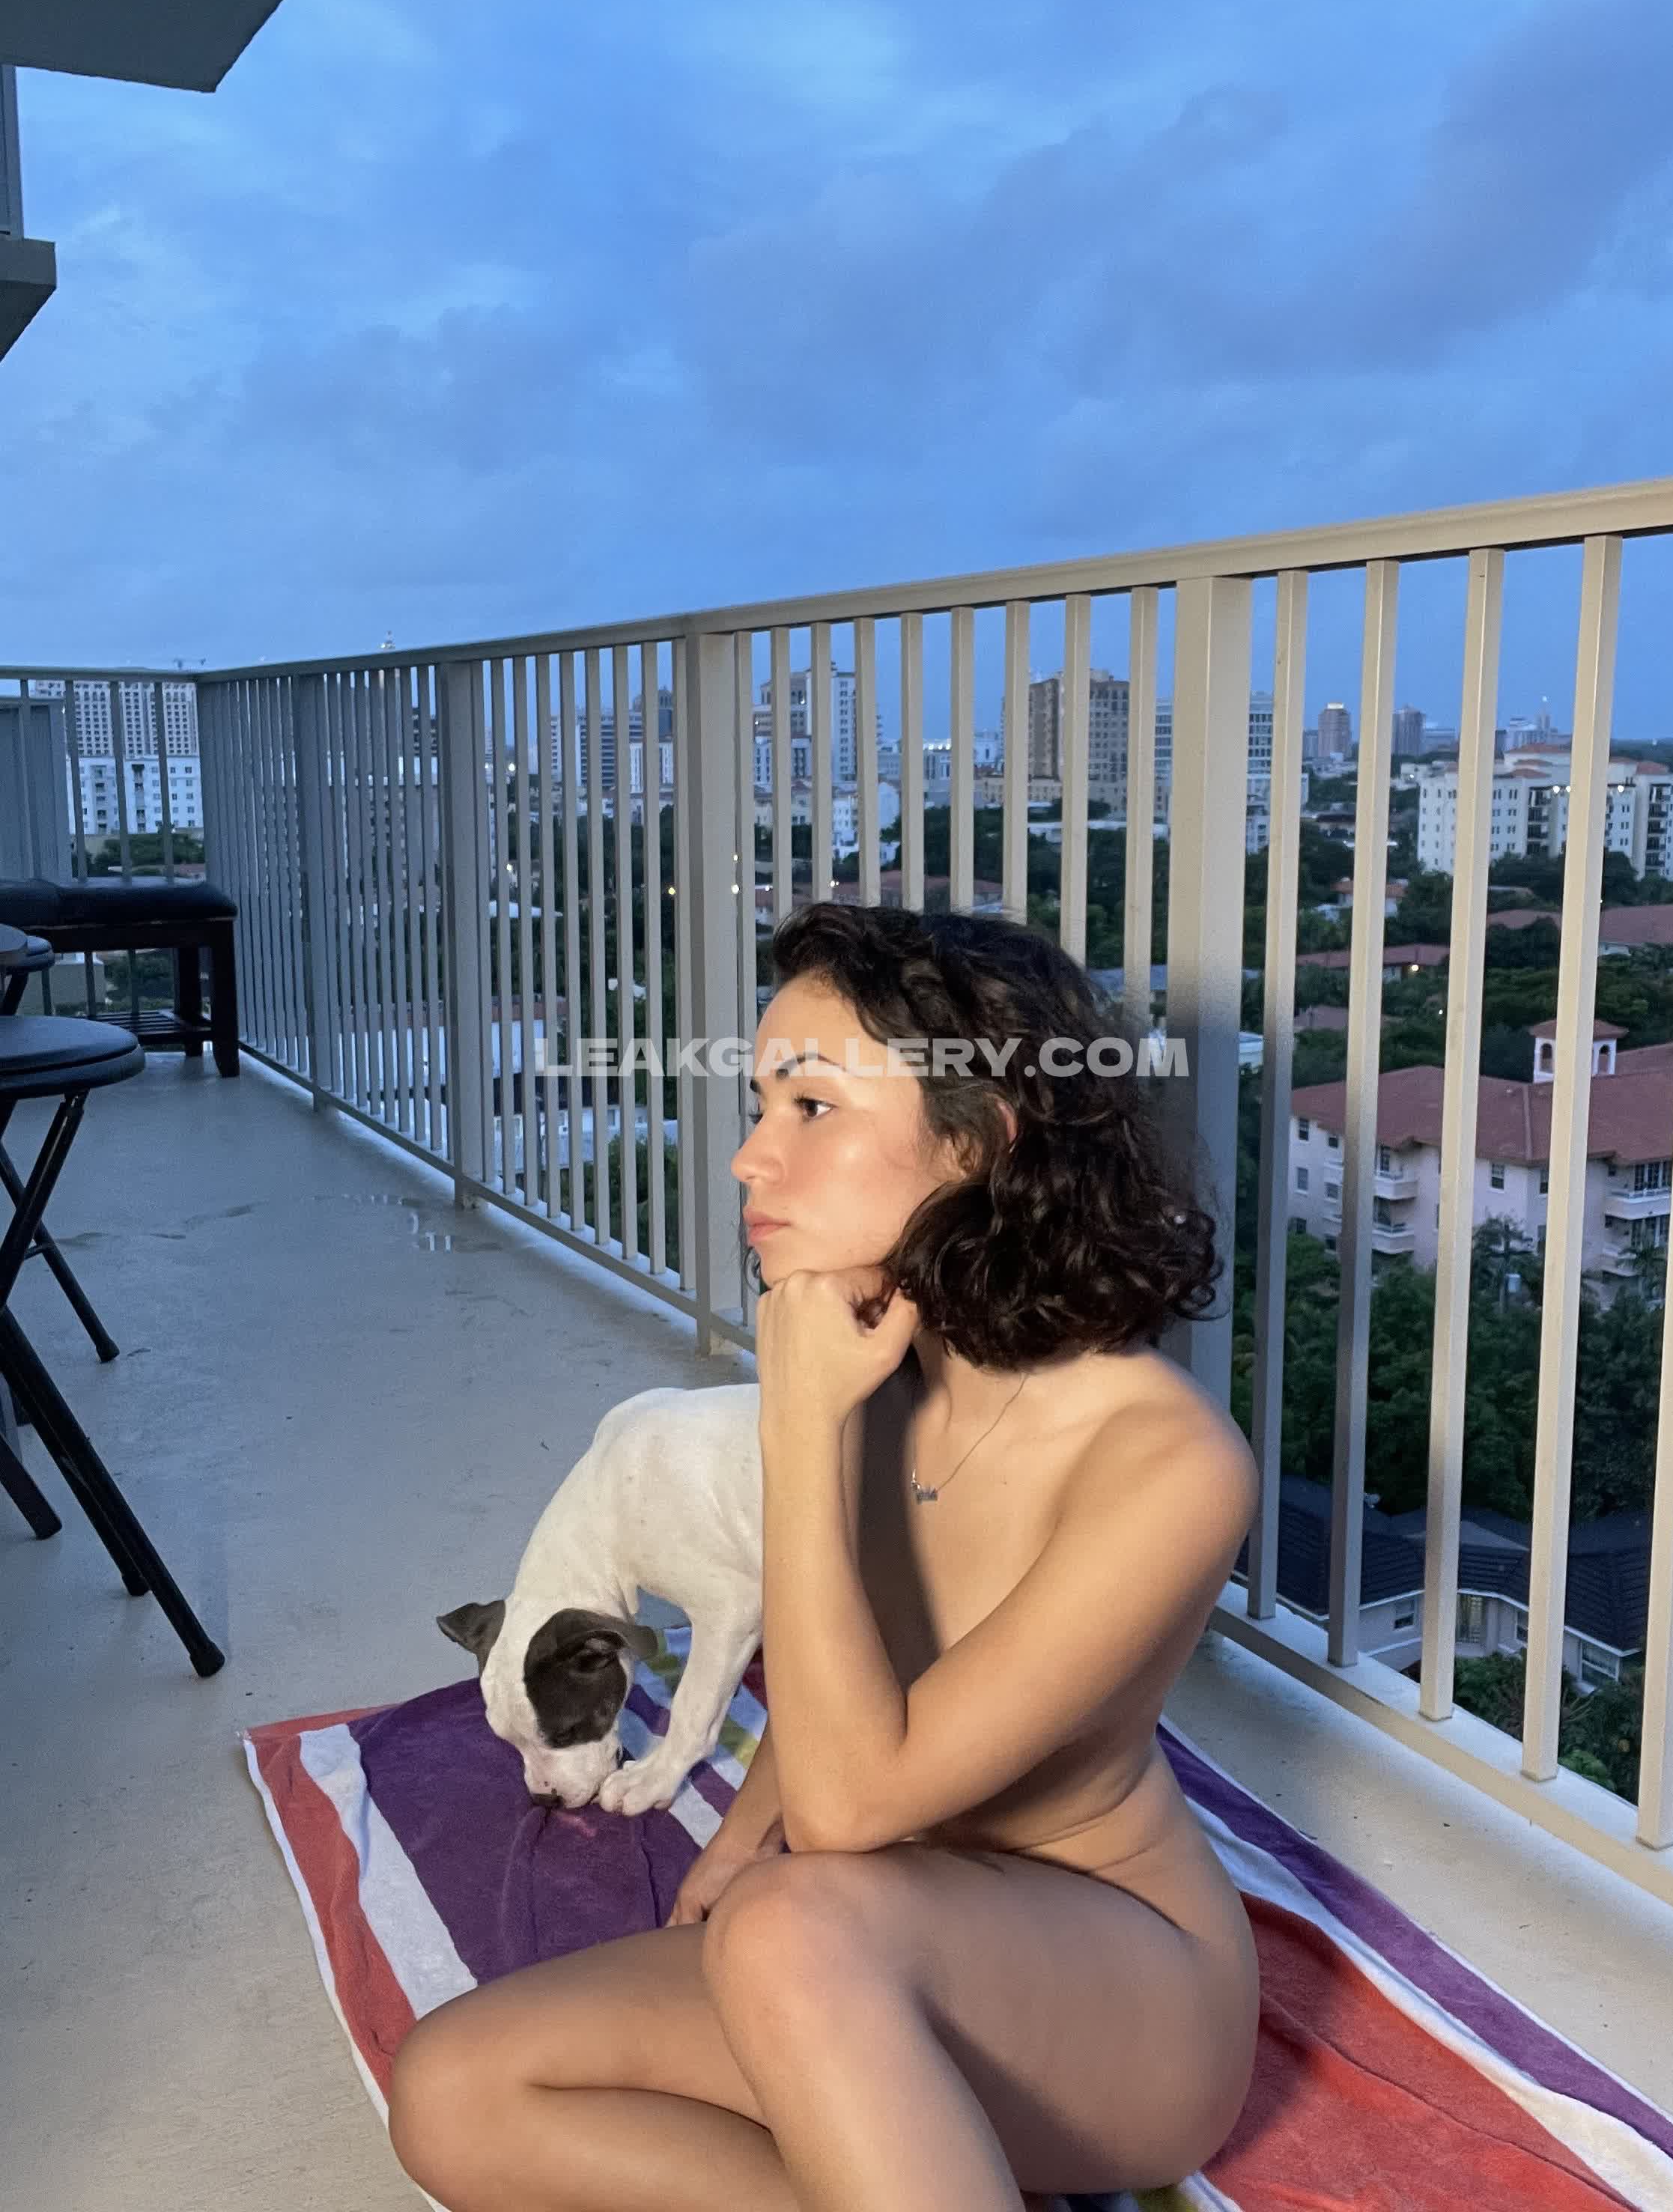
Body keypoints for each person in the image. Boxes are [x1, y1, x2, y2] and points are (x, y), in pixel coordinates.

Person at [388, 900, 1263, 2212]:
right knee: (457, 2089)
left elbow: (852, 1809)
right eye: (759, 1105)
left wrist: (795, 1426)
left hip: (1120, 1998)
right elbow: (843, 1667)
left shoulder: (1166, 1462)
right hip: (872, 1932)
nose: (748, 1157)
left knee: (789, 1925)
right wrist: (742, 1841)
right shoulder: (881, 1375)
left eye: (809, 1107)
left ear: (980, 1140)